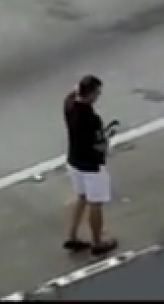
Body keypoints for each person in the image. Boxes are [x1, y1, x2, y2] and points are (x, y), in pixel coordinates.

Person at [62, 74, 118, 255]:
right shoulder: (91, 119)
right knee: (95, 203)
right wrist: (108, 140)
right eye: (97, 93)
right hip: (91, 166)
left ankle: (72, 235)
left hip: (74, 161)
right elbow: (100, 146)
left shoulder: (69, 104)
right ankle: (97, 242)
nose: (98, 97)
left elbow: (73, 92)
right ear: (91, 94)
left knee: (82, 196)